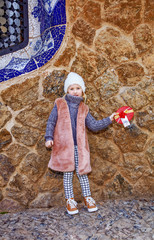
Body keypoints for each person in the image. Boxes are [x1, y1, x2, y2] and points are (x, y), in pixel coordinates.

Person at [45, 72, 116, 215]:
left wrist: (110, 119)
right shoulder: (59, 104)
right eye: (72, 88)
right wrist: (48, 137)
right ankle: (70, 200)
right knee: (67, 174)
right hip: (64, 147)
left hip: (79, 147)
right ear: (67, 90)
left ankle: (87, 197)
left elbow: (94, 125)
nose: (75, 91)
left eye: (78, 88)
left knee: (82, 173)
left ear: (82, 90)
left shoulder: (84, 108)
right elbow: (51, 122)